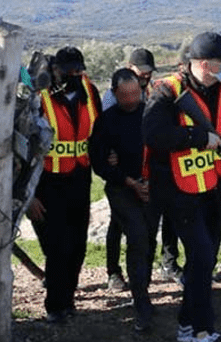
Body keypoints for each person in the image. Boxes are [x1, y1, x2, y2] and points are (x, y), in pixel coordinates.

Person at [142, 31, 221, 342]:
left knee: (206, 260)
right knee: (202, 257)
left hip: (217, 190)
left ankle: (186, 323)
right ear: (204, 65)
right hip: (178, 190)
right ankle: (204, 330)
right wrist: (198, 138)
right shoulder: (167, 91)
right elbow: (153, 134)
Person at [27, 46, 102, 324]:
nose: (73, 76)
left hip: (80, 178)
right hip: (47, 181)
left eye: (77, 71)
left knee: (78, 244)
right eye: (67, 72)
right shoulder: (39, 95)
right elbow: (24, 147)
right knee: (57, 245)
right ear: (55, 69)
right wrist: (29, 195)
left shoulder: (88, 91)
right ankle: (55, 306)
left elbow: (99, 131)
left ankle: (68, 299)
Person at [90, 68, 158, 332]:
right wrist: (128, 181)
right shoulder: (106, 121)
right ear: (115, 93)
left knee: (150, 239)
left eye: (135, 94)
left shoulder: (151, 114)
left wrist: (150, 183)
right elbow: (99, 162)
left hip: (152, 188)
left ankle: (145, 288)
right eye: (125, 95)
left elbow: (163, 149)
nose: (131, 99)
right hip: (122, 189)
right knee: (137, 237)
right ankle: (140, 301)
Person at [99, 48, 161, 290]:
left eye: (148, 73)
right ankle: (114, 272)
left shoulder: (150, 91)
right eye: (141, 72)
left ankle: (142, 277)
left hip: (145, 169)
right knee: (118, 224)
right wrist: (111, 154)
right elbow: (108, 133)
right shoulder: (112, 98)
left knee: (146, 227)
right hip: (121, 173)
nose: (145, 76)